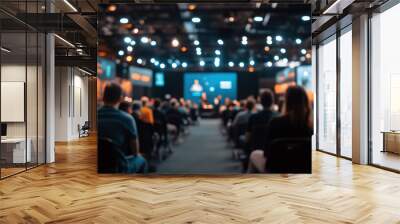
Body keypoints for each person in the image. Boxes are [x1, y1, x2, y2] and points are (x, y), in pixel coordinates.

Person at [247, 86, 313, 173]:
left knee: (254, 154)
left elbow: (266, 153)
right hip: (304, 169)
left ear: (287, 102)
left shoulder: (275, 122)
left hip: (276, 169)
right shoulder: (311, 127)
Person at [98, 83, 147, 173]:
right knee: (142, 160)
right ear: (120, 98)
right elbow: (135, 151)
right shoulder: (127, 119)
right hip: (118, 167)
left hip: (96, 165)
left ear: (103, 97)